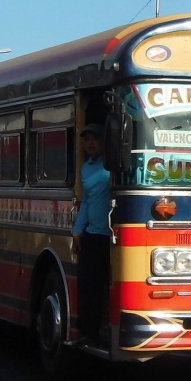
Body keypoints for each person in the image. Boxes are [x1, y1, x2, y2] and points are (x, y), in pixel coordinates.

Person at [72, 123, 112, 346]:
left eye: (95, 139)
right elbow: (87, 201)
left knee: (108, 286)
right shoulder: (86, 167)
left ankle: (108, 329)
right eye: (87, 140)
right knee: (89, 286)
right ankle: (89, 332)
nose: (90, 143)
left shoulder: (114, 166)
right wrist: (78, 231)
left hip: (112, 237)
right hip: (92, 235)